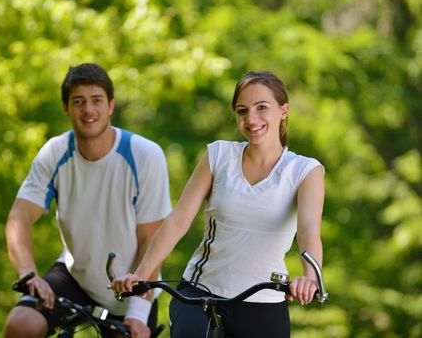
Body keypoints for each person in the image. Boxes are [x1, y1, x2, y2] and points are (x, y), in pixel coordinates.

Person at [111, 70, 325, 337]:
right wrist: (141, 273)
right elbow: (178, 221)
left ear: (283, 111)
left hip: (264, 299)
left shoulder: (305, 171)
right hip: (201, 293)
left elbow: (308, 230)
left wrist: (310, 276)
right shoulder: (219, 154)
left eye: (262, 108)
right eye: (242, 111)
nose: (251, 119)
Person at [3, 63, 172, 338]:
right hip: (74, 275)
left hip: (132, 282)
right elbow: (18, 218)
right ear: (66, 108)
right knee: (20, 325)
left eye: (97, 101)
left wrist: (137, 314)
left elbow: (152, 243)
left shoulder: (145, 155)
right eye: (78, 102)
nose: (88, 110)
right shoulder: (55, 153)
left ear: (111, 106)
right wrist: (28, 273)